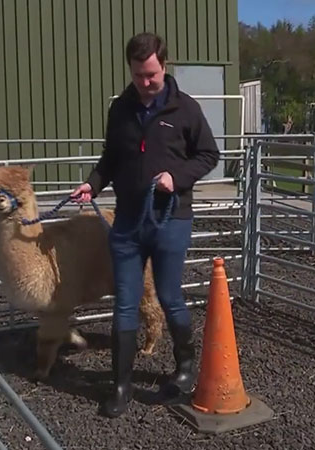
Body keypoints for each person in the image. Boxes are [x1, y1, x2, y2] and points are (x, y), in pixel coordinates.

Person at [71, 32, 220, 418]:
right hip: (128, 223)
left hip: (170, 220)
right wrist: (93, 183)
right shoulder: (120, 109)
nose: (145, 82)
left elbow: (209, 155)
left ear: (164, 66)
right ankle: (121, 386)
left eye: (151, 74)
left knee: (169, 295)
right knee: (125, 303)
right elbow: (111, 157)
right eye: (138, 75)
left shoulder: (185, 110)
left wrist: (178, 177)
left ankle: (184, 368)